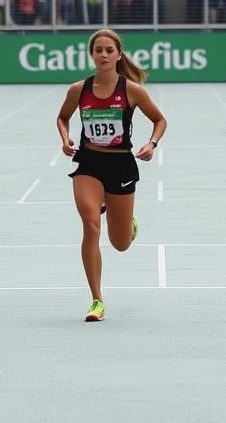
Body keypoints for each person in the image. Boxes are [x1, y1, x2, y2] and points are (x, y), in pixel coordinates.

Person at [56, 29, 167, 322]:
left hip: (121, 165)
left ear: (119, 54)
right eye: (98, 50)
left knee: (120, 244)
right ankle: (96, 300)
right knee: (91, 226)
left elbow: (159, 119)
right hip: (88, 163)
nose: (103, 55)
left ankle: (126, 222)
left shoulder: (131, 90)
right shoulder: (78, 90)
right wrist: (65, 138)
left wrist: (151, 144)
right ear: (92, 54)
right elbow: (62, 116)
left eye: (109, 50)